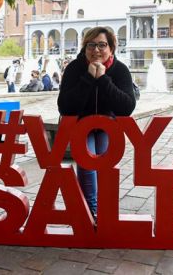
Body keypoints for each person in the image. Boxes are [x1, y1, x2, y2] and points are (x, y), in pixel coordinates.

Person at [57, 27, 136, 219]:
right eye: (91, 45)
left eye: (102, 45)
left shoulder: (120, 70)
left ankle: (104, 209)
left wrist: (102, 79)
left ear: (111, 48)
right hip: (81, 125)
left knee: (105, 166)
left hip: (108, 126)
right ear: (85, 48)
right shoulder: (75, 68)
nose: (96, 50)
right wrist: (87, 79)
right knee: (87, 164)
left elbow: (126, 107)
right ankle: (90, 212)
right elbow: (65, 106)